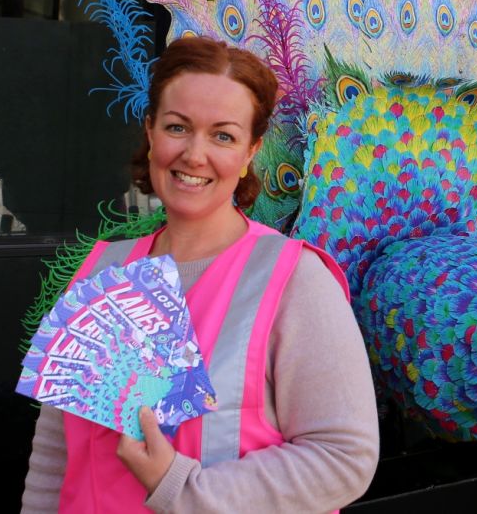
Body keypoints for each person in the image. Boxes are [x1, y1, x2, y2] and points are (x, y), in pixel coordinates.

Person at [21, 37, 379, 513]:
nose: (194, 154)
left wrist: (182, 489)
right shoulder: (101, 272)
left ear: (251, 151)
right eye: (177, 127)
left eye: (223, 136)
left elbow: (344, 458)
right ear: (150, 132)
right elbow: (54, 452)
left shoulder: (294, 279)